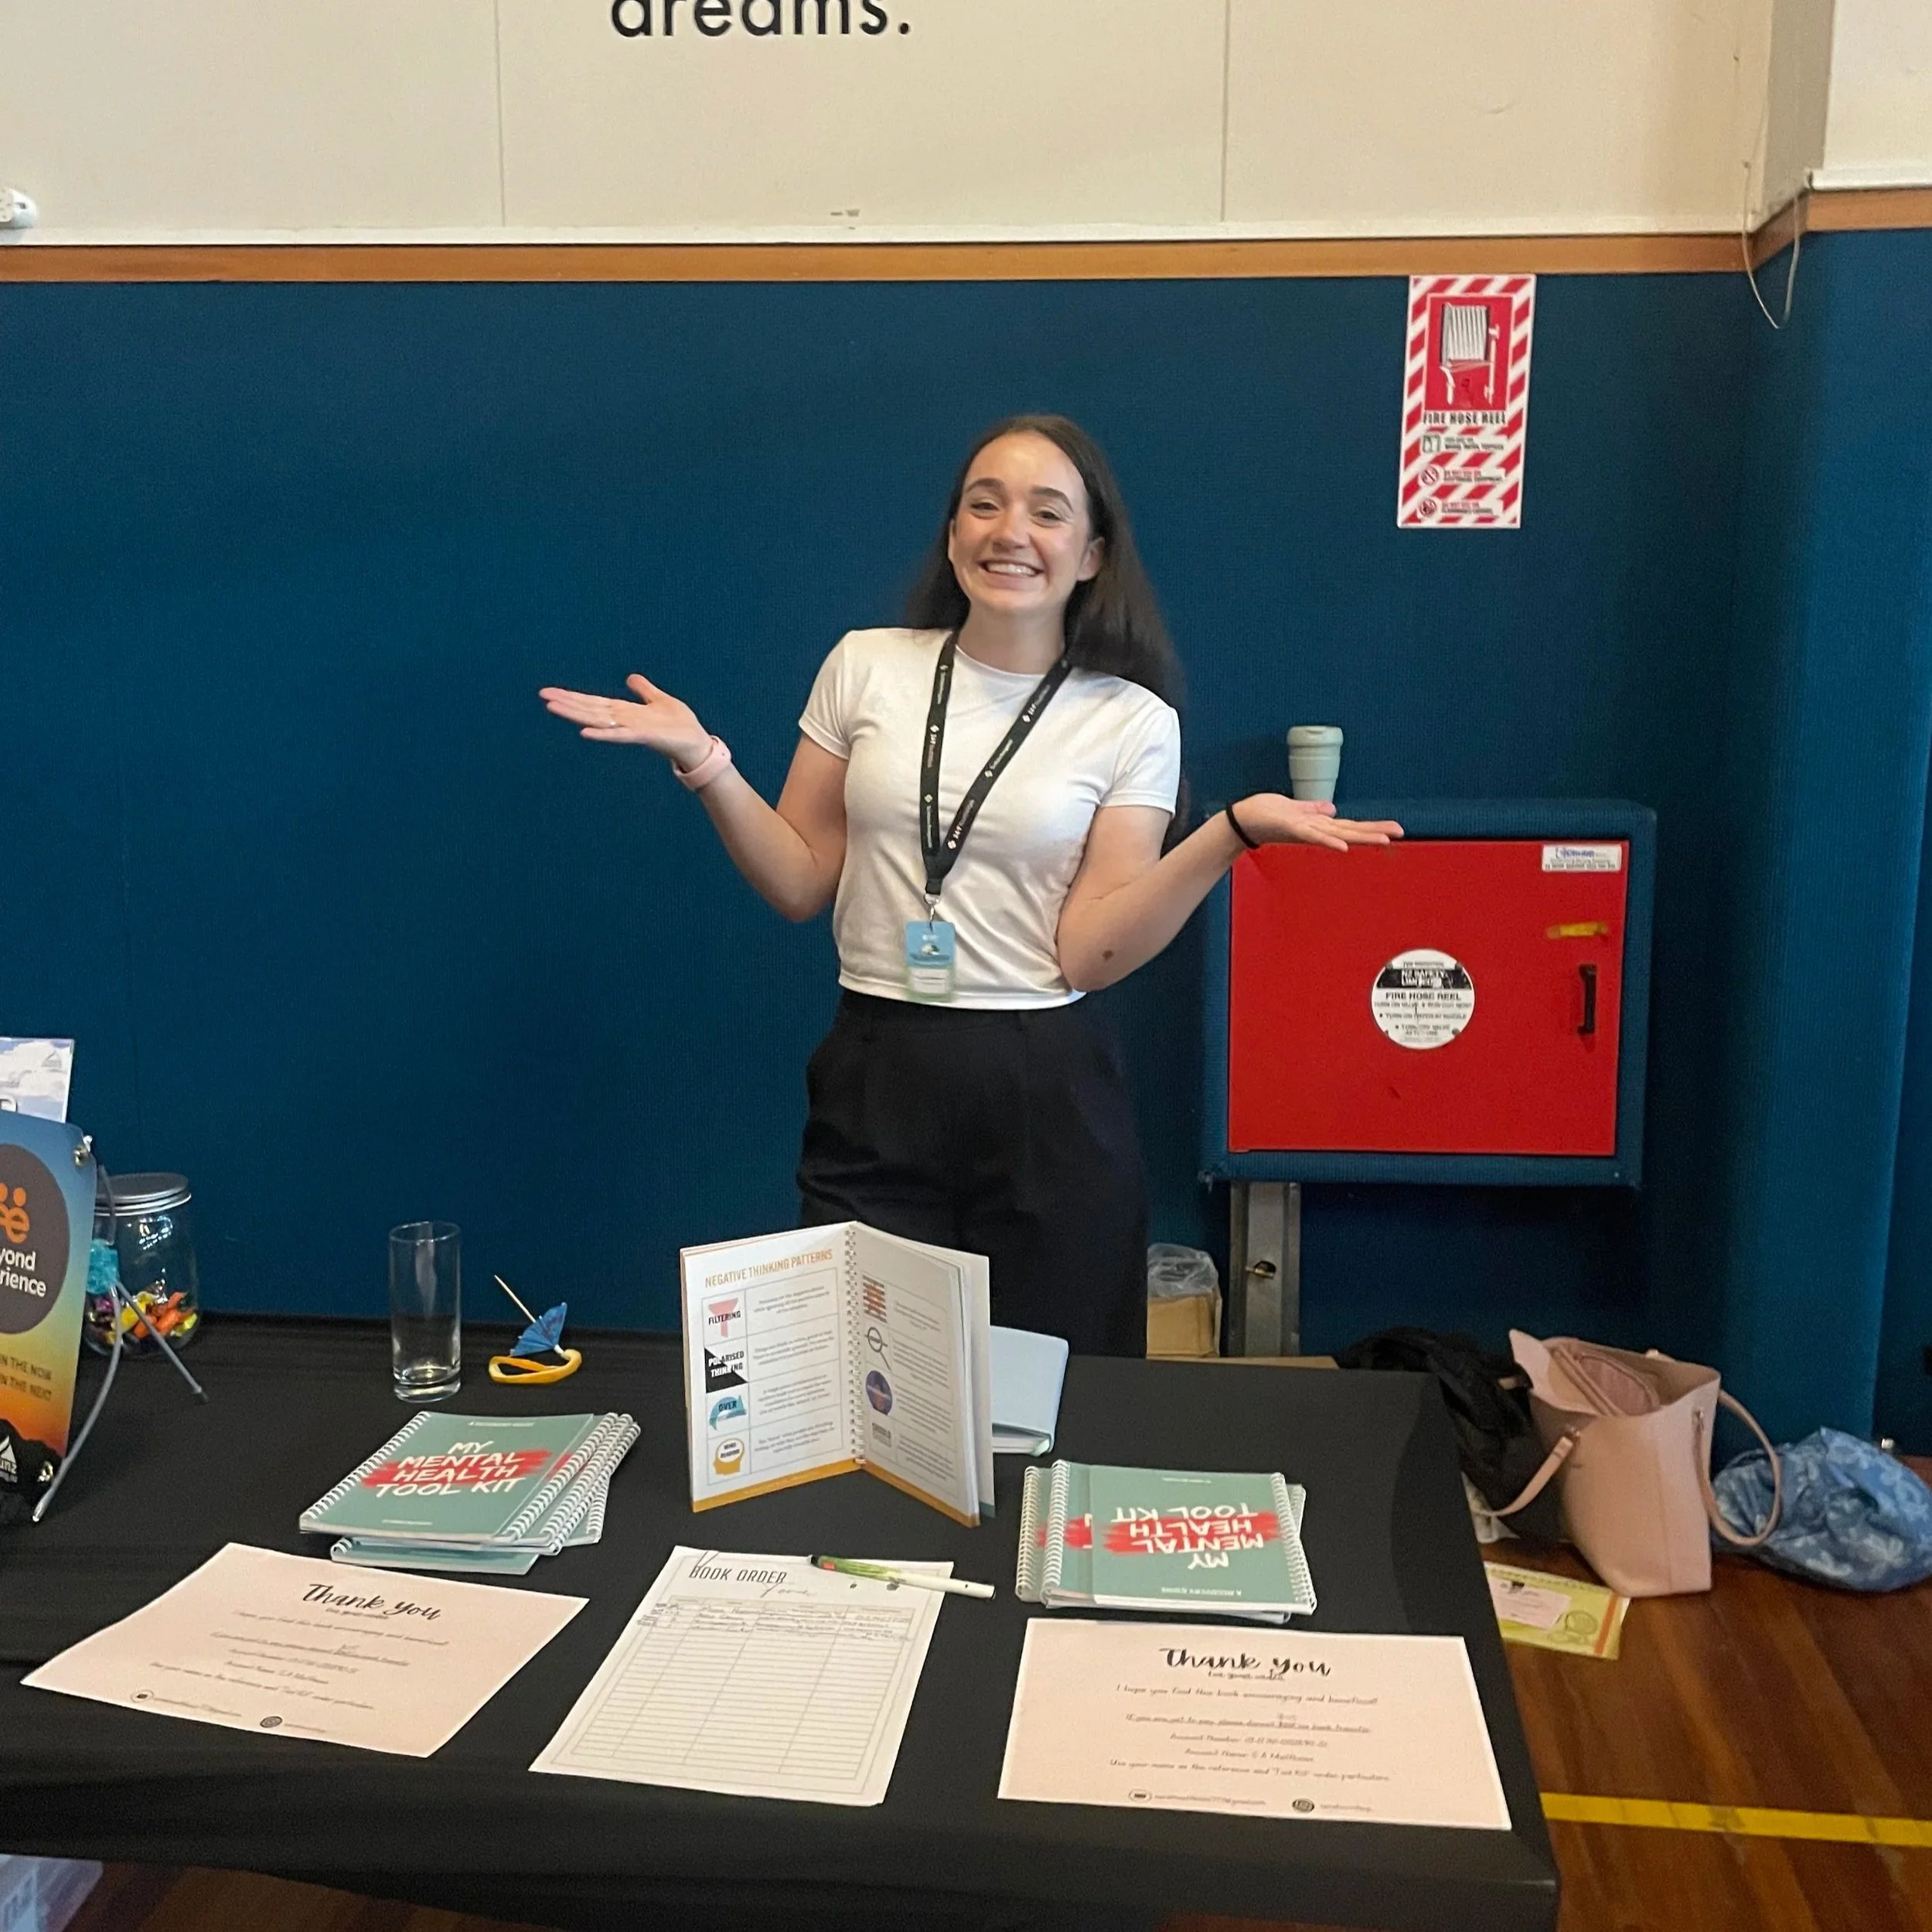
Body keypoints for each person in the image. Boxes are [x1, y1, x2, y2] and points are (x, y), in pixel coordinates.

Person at [541, 415, 1401, 1354]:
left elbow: (1090, 950)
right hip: (876, 1062)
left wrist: (1228, 835)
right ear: (953, 536)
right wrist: (705, 762)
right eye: (983, 505)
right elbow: (797, 881)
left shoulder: (1131, 719)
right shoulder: (866, 665)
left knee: (1054, 1395)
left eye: (1046, 512)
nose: (1010, 532)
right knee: (868, 1388)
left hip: (1045, 1083)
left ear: (1091, 553)